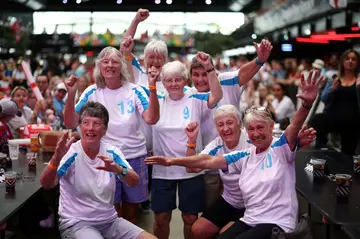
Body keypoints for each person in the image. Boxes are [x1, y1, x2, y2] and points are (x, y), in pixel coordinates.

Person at [146, 70, 323, 238]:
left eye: (260, 128)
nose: (256, 133)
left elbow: (293, 128)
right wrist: (171, 161)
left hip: (277, 221)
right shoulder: (245, 155)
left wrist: (306, 106)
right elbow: (206, 161)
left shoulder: (279, 148)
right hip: (251, 217)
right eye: (252, 129)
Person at [63, 46, 159, 224]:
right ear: (99, 66)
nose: (110, 65)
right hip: (104, 159)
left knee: (131, 214)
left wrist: (152, 87)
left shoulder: (135, 90)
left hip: (133, 157)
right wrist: (71, 94)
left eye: (115, 61)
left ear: (122, 65)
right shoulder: (92, 91)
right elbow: (70, 122)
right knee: (111, 213)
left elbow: (151, 118)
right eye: (105, 61)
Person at [40, 102, 156, 239]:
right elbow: (47, 184)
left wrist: (118, 169)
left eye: (96, 124)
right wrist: (56, 158)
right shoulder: (71, 153)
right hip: (77, 223)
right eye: (86, 123)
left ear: (105, 130)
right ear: (80, 127)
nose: (90, 128)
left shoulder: (112, 152)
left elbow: (134, 181)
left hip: (110, 221)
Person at [189, 39, 273, 207]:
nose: (200, 79)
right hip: (211, 167)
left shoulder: (226, 81)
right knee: (212, 209)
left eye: (204, 73)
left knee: (243, 208)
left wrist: (259, 60)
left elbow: (243, 73)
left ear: (212, 71)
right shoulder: (190, 95)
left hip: (238, 163)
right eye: (195, 75)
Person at [150, 54, 222, 239]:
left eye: (178, 79)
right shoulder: (156, 97)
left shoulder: (194, 96)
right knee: (161, 218)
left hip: (191, 169)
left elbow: (216, 95)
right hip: (162, 169)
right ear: (163, 82)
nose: (174, 84)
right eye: (169, 80)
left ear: (185, 80)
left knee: (190, 217)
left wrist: (209, 68)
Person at [312, 49, 360, 155]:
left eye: (353, 59)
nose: (350, 61)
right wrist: (332, 89)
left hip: (352, 120)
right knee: (318, 120)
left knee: (348, 152)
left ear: (357, 63)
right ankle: (322, 150)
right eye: (347, 59)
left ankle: (346, 162)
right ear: (343, 61)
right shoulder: (334, 78)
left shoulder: (358, 80)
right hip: (333, 116)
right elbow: (324, 99)